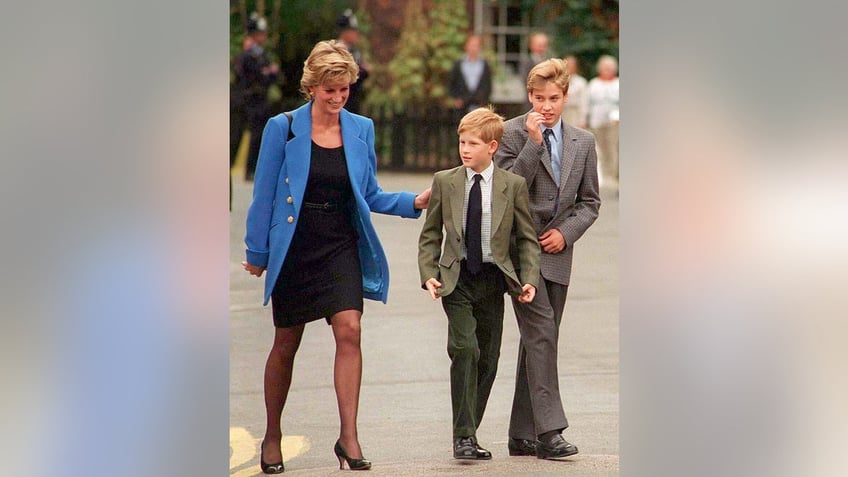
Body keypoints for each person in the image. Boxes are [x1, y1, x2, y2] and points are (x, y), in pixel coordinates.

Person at [242, 40, 431, 473]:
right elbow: (264, 193)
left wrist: (413, 203)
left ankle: (349, 436)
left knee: (350, 329)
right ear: (313, 87)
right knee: (286, 343)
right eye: (330, 90)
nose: (338, 97)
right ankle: (272, 435)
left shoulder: (361, 128)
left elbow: (369, 194)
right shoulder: (283, 127)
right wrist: (257, 252)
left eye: (344, 89)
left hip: (339, 242)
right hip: (296, 243)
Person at [418, 107, 541, 461]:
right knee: (465, 350)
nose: (465, 149)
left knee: (488, 359)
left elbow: (526, 240)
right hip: (455, 280)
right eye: (461, 142)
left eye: (473, 143)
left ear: (492, 146)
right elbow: (430, 234)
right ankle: (464, 437)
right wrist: (428, 271)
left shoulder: (512, 185)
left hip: (493, 280)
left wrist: (528, 279)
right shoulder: (445, 181)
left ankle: (468, 431)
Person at [493, 58, 601, 460]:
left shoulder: (583, 142)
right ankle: (549, 432)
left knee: (537, 339)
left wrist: (565, 232)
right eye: (538, 98)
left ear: (566, 97)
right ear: (529, 95)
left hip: (557, 251)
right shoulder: (509, 133)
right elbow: (506, 189)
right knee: (542, 333)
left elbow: (590, 202)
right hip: (520, 251)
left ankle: (521, 433)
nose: (546, 106)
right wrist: (534, 144)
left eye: (553, 98)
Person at [232, 12, 280, 181]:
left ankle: (251, 169)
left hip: (261, 100)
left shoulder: (260, 53)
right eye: (261, 33)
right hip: (248, 100)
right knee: (238, 135)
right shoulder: (249, 54)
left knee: (258, 135)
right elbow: (259, 75)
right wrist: (267, 73)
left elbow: (273, 73)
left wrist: (269, 73)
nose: (263, 36)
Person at [587, 55, 619, 189]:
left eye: (610, 68)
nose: (607, 71)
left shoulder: (618, 83)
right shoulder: (594, 83)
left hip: (615, 122)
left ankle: (615, 174)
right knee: (601, 149)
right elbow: (588, 103)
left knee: (614, 148)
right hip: (597, 121)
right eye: (605, 68)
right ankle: (605, 176)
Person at [448, 35, 493, 115]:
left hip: (479, 104)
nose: (473, 48)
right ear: (466, 46)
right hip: (462, 104)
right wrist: (457, 99)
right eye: (471, 45)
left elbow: (488, 84)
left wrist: (484, 101)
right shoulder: (458, 64)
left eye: (476, 46)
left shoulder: (485, 64)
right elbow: (451, 83)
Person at [336, 9, 370, 114]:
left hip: (354, 99)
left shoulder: (354, 51)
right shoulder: (337, 50)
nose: (356, 34)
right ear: (345, 32)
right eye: (353, 31)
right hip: (341, 102)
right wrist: (363, 70)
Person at [521, 32, 551, 110]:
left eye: (544, 45)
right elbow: (526, 80)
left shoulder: (551, 61)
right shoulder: (526, 62)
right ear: (531, 45)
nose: (542, 48)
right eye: (539, 45)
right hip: (531, 103)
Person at [562, 55, 588, 128]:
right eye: (567, 65)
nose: (569, 67)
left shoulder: (581, 82)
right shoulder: (558, 81)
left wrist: (583, 120)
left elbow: (584, 102)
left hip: (575, 114)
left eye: (571, 65)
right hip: (562, 113)